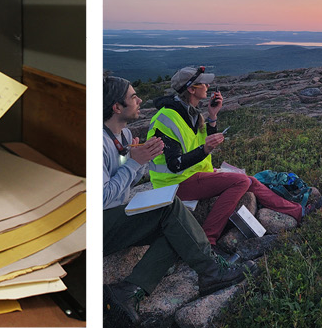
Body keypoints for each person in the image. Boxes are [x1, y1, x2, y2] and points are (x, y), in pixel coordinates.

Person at [103, 75, 248, 324]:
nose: (139, 100)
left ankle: (129, 291)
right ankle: (211, 270)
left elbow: (124, 177)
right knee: (169, 206)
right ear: (117, 107)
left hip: (116, 217)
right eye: (133, 96)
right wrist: (135, 163)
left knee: (174, 228)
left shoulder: (124, 135)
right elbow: (102, 197)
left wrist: (139, 161)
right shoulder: (97, 143)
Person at [147, 66, 322, 246]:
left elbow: (202, 140)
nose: (208, 87)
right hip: (174, 184)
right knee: (241, 182)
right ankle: (208, 240)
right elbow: (175, 164)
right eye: (204, 84)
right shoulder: (168, 118)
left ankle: (299, 212)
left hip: (193, 175)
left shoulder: (190, 112)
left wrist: (212, 116)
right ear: (191, 89)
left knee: (249, 180)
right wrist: (205, 150)